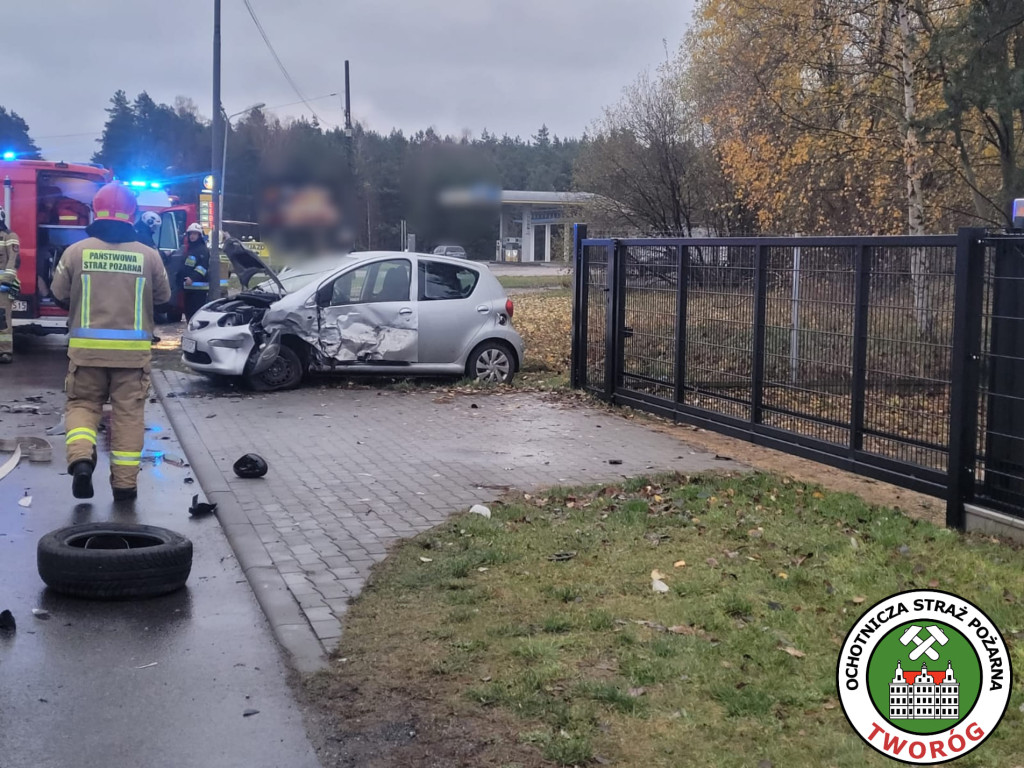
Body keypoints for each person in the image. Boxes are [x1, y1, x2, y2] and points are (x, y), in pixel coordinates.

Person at [50, 182, 171, 501]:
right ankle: (125, 486)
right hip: (132, 359)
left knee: (82, 405)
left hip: (86, 354)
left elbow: (58, 294)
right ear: (132, 215)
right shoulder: (149, 255)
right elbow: (164, 296)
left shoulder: (75, 251)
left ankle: (80, 461)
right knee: (128, 415)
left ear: (96, 210)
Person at [0, 206, 21, 364]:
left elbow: (12, 260)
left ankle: (5, 351)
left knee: (3, 320)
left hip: (3, 287)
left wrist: (5, 282)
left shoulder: (9, 236)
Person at [180, 222, 211, 320]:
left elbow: (203, 267)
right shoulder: (191, 249)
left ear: (199, 235)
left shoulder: (202, 250)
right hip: (189, 289)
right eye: (191, 234)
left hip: (198, 290)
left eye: (195, 234)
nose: (192, 236)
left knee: (196, 316)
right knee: (189, 315)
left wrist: (192, 278)